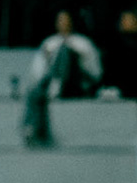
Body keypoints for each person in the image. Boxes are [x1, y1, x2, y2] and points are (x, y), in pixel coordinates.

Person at [22, 9, 102, 146]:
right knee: (34, 93)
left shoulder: (83, 43)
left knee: (65, 51)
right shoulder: (49, 43)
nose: (63, 23)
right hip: (50, 82)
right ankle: (30, 127)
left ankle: (57, 85)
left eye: (66, 20)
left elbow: (95, 73)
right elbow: (37, 71)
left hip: (76, 84)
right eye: (60, 20)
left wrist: (79, 59)